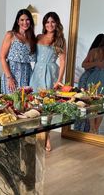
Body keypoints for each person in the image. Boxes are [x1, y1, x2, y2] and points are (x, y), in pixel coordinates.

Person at [29, 12, 66, 151]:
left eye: (52, 22)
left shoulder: (60, 39)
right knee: (35, 104)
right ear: (44, 24)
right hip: (37, 73)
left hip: (51, 72)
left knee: (48, 106)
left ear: (56, 23)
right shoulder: (39, 37)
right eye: (47, 22)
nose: (50, 25)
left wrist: (59, 80)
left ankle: (47, 137)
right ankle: (38, 135)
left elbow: (62, 61)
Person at [75, 32, 104, 133]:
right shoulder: (95, 51)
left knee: (93, 103)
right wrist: (98, 63)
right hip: (102, 79)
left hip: (94, 77)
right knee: (101, 104)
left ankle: (93, 128)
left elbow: (84, 64)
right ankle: (94, 129)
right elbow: (84, 64)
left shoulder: (94, 51)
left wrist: (96, 63)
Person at [0, 9, 36, 94]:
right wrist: (9, 78)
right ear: (18, 22)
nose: (25, 22)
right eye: (22, 20)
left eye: (27, 20)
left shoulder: (31, 38)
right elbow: (2, 57)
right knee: (11, 103)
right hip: (12, 75)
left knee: (25, 104)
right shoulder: (11, 35)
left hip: (27, 74)